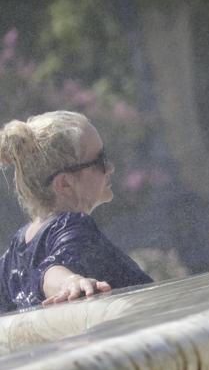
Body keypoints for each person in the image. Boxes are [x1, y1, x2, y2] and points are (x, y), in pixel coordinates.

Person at [0, 110, 151, 311]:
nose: (110, 167)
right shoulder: (72, 226)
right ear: (65, 184)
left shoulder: (17, 247)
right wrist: (70, 282)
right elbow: (51, 270)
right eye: (100, 160)